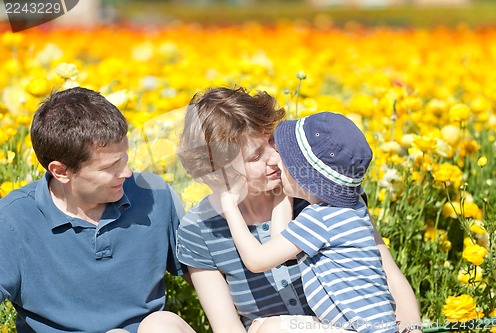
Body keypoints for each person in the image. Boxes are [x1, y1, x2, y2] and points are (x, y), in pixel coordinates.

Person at [172, 87, 421, 333]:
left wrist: (411, 328)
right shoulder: (199, 230)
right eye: (256, 156)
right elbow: (227, 326)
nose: (275, 158)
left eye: (271, 140)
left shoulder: (322, 198)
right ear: (220, 170)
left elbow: (388, 277)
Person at [0, 87, 195, 333]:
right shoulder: (12, 221)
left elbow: (205, 275)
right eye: (110, 166)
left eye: (125, 157)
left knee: (162, 325)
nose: (127, 173)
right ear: (60, 171)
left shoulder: (154, 195)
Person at [220, 112, 404, 333]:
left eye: (284, 157)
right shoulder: (352, 209)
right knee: (263, 326)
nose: (277, 161)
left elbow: (257, 260)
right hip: (375, 326)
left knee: (271, 330)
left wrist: (229, 205)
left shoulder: (318, 219)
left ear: (303, 176)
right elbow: (282, 243)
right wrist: (284, 192)